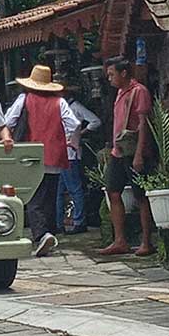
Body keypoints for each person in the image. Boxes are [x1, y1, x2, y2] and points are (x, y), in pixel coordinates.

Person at [3, 65, 79, 257]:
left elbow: (8, 120)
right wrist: (71, 141)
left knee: (34, 198)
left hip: (31, 155)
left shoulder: (25, 99)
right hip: (54, 155)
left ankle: (40, 235)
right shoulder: (59, 102)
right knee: (51, 197)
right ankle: (50, 233)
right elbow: (74, 124)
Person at [99, 56, 156, 257]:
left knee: (141, 196)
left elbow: (143, 125)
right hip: (118, 151)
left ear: (124, 73)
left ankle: (146, 241)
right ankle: (119, 240)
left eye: (112, 74)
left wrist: (139, 154)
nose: (110, 79)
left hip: (135, 152)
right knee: (113, 191)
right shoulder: (120, 93)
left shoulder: (139, 92)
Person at [57, 86, 101, 235]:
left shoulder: (75, 107)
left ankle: (79, 221)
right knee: (59, 191)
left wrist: (80, 134)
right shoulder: (58, 107)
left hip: (71, 154)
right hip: (59, 154)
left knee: (74, 189)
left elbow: (95, 121)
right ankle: (59, 222)